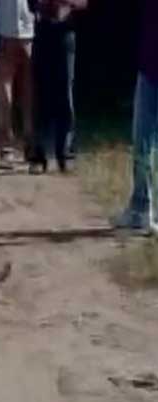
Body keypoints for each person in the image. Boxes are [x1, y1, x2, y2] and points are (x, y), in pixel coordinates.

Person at [110, 1, 158, 235]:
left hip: (152, 69)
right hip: (148, 65)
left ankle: (143, 209)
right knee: (143, 142)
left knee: (144, 141)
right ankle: (140, 205)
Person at [27, 0, 87, 174]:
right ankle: (38, 156)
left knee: (65, 93)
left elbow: (84, 3)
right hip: (42, 31)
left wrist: (65, 3)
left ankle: (65, 154)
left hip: (65, 33)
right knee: (41, 94)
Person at [0, 0, 35, 167]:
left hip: (10, 30)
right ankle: (28, 143)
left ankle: (8, 147)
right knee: (24, 90)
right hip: (26, 28)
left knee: (9, 87)